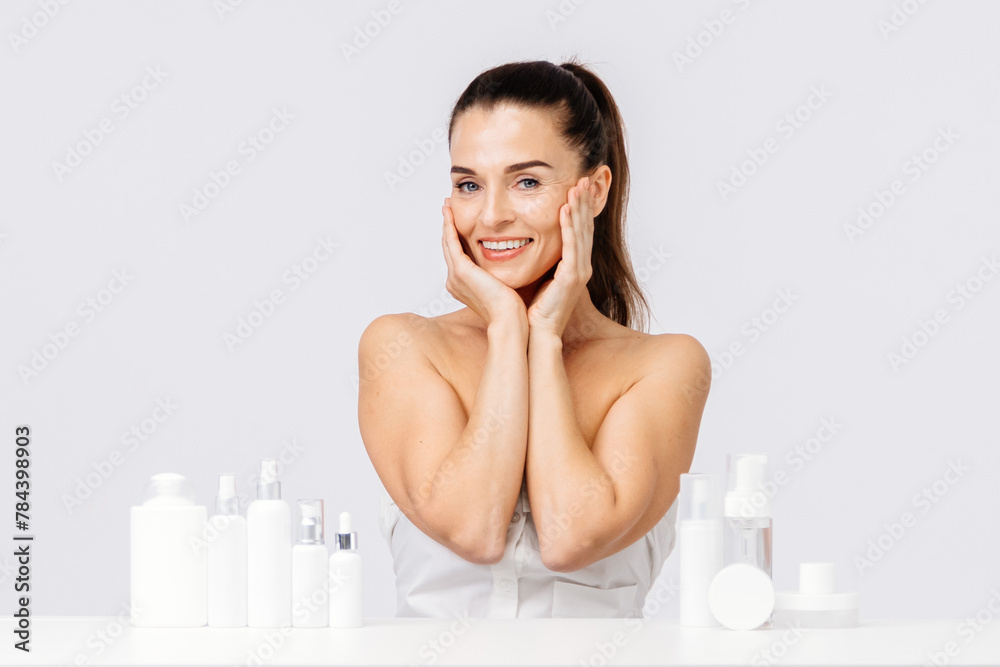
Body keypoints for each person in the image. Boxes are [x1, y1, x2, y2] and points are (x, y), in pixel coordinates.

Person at [358, 59, 711, 618]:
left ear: (595, 190)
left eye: (526, 182)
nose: (492, 216)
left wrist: (543, 336)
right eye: (469, 185)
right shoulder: (402, 348)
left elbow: (573, 538)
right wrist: (506, 327)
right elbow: (473, 529)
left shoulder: (664, 366)